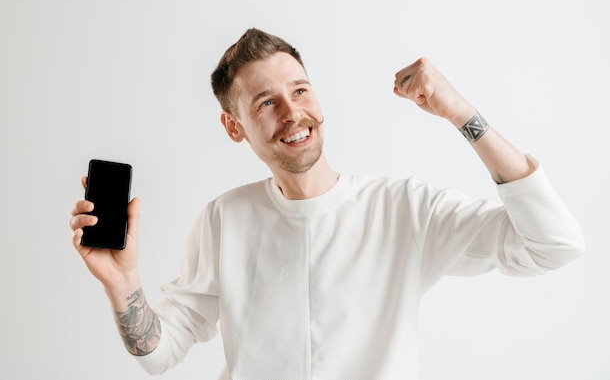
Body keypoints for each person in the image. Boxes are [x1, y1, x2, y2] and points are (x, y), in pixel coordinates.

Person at [69, 28, 585, 379]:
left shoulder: (404, 209)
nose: (293, 113)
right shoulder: (223, 219)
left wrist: (460, 113)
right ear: (234, 127)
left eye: (300, 90)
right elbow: (159, 354)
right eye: (266, 102)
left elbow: (554, 245)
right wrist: (123, 285)